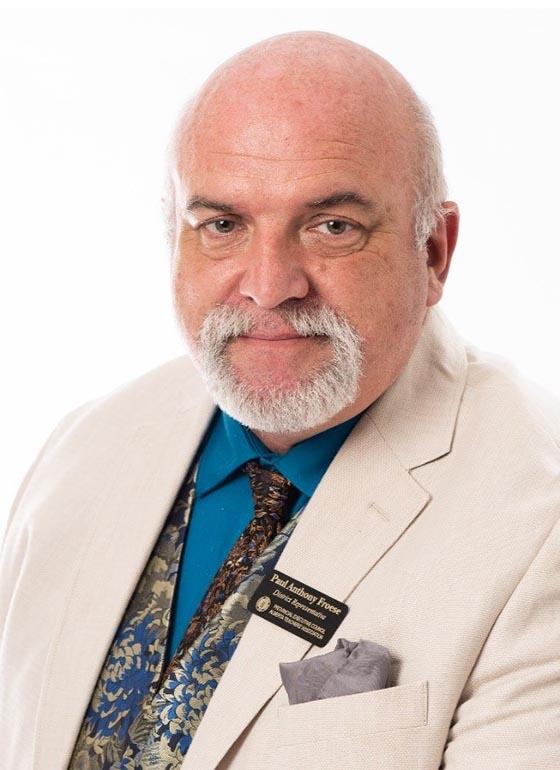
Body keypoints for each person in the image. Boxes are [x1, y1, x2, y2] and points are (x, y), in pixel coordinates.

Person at [1, 30, 559, 770]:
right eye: (224, 225)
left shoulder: (538, 523)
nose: (270, 285)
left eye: (332, 226)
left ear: (434, 251)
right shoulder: (84, 446)